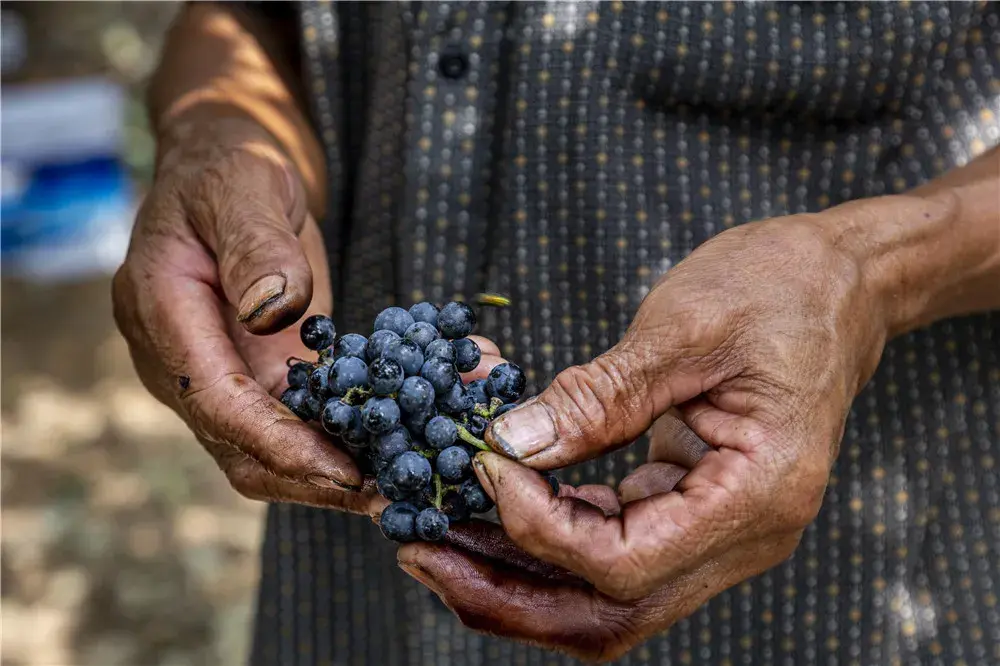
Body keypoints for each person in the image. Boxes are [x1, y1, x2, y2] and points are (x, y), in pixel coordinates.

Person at [113, 2, 1000, 664]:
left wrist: (871, 270)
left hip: (810, 561)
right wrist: (218, 135)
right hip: (354, 547)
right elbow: (246, 21)